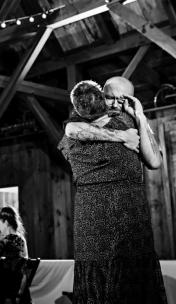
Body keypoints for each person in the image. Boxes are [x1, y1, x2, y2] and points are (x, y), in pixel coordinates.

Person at [59, 80, 167, 303]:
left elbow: (155, 161)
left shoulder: (128, 120)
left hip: (130, 213)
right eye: (111, 98)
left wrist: (141, 117)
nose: (118, 103)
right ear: (100, 96)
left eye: (124, 99)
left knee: (134, 279)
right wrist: (123, 137)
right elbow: (70, 129)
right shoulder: (77, 126)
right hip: (94, 219)